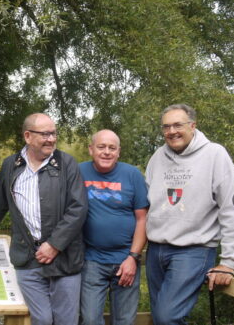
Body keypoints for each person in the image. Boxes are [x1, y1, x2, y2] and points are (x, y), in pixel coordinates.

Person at [0, 113, 88, 325]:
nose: (51, 139)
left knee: (66, 321)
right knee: (41, 319)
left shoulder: (66, 163)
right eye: (45, 134)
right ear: (28, 136)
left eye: (53, 133)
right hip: (27, 257)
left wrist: (54, 244)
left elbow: (78, 208)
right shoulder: (11, 165)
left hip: (65, 258)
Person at [145, 104, 234, 325]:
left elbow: (233, 208)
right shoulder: (157, 158)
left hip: (193, 251)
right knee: (158, 317)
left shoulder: (214, 155)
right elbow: (146, 203)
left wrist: (229, 261)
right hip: (156, 250)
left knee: (167, 317)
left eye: (177, 125)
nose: (171, 131)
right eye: (166, 126)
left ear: (193, 125)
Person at [79, 130, 148, 325]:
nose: (106, 152)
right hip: (91, 261)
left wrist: (133, 257)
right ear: (91, 149)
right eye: (101, 147)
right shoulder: (78, 171)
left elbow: (142, 219)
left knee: (124, 321)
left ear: (118, 152)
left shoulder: (132, 175)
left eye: (112, 148)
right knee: (90, 320)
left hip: (126, 261)